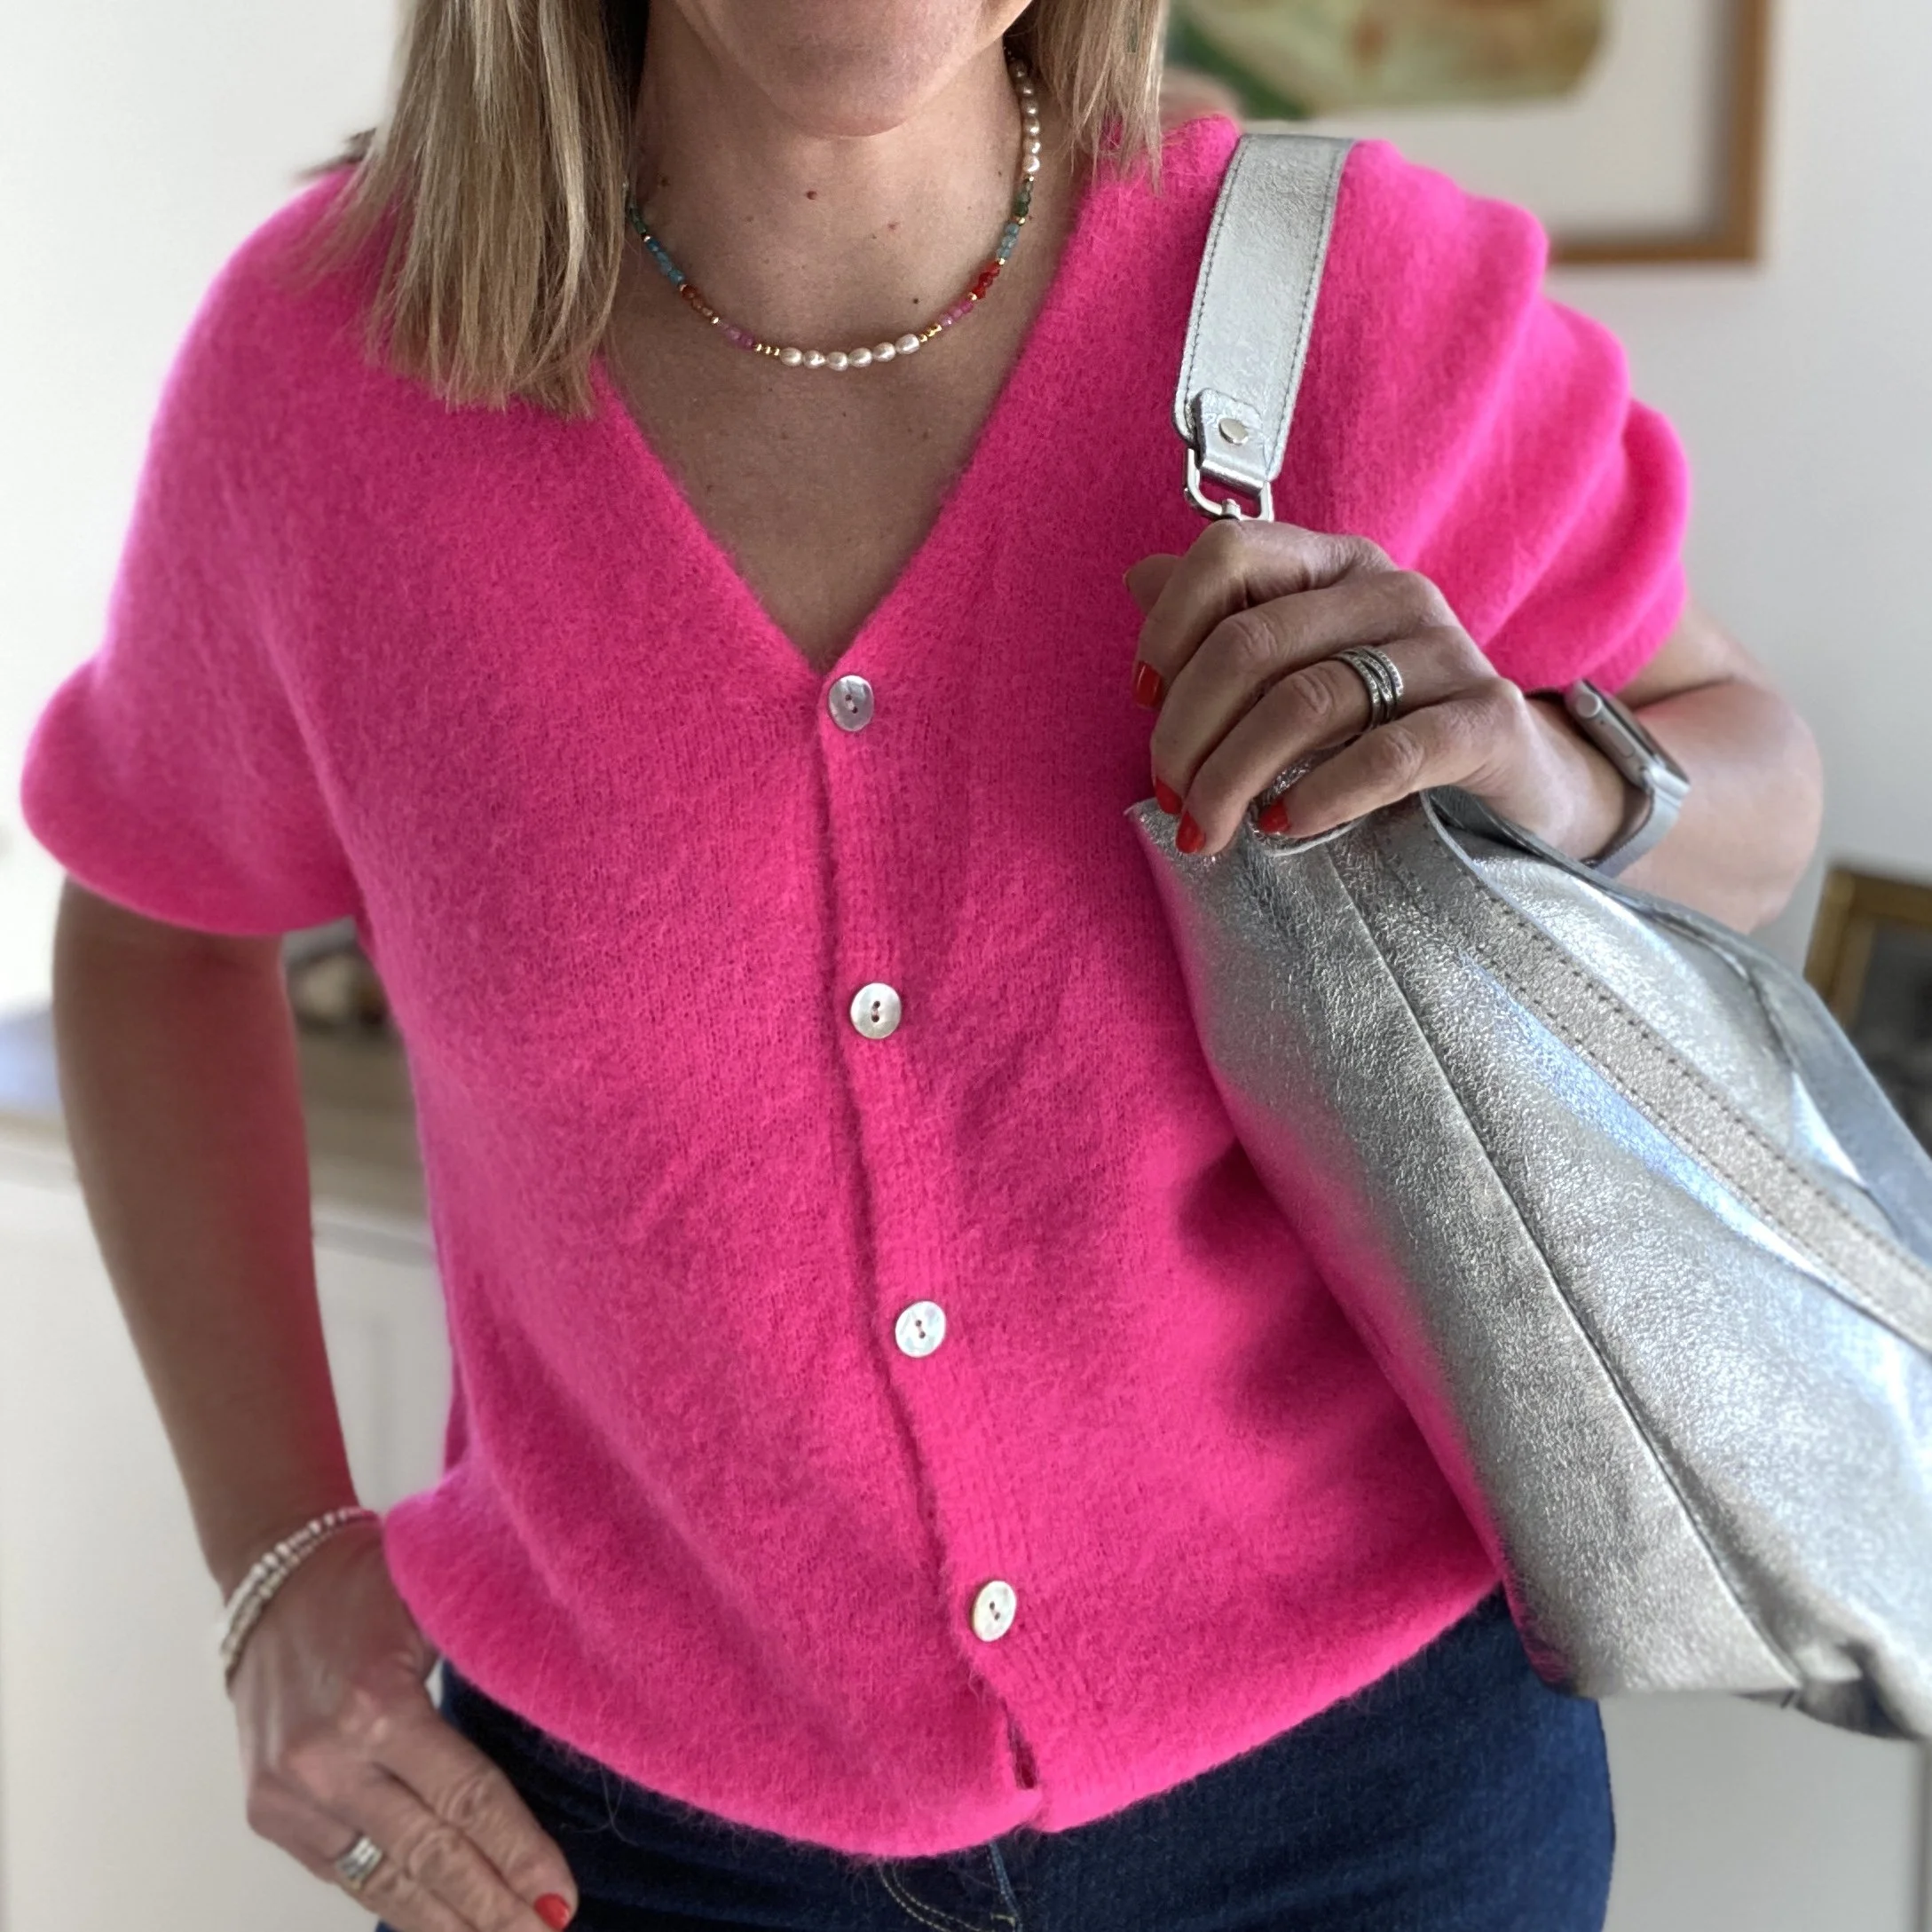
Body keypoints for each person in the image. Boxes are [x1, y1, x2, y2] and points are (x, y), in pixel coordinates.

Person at [18, 1, 1823, 1928]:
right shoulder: (328, 378)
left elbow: (1755, 782)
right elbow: (154, 928)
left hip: (1376, 1823)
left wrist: (1533, 763)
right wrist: (279, 1559)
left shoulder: (1343, 296)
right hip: (624, 1847)